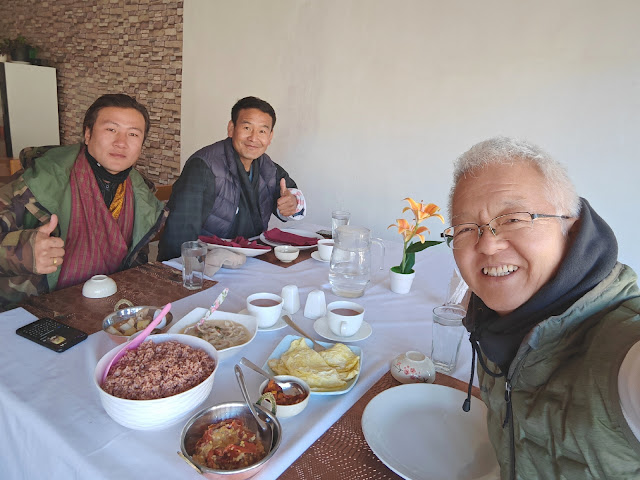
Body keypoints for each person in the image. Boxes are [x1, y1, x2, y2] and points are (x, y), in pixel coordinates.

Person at [443, 136, 640, 478]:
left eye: (515, 218)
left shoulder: (621, 347)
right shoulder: (491, 319)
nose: (488, 244)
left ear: (572, 228)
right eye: (465, 228)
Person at [0, 94, 167, 311]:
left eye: (133, 134)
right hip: (35, 313)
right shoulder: (38, 182)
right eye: (111, 129)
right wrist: (25, 252)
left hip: (107, 310)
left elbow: (134, 265)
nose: (121, 143)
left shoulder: (141, 195)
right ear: (87, 134)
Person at [158, 96, 305, 261]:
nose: (254, 138)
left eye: (262, 131)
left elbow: (290, 193)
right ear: (231, 128)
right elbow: (181, 229)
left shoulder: (268, 167)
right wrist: (179, 273)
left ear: (270, 137)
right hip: (208, 260)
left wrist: (291, 203)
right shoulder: (204, 166)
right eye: (247, 127)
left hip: (251, 256)